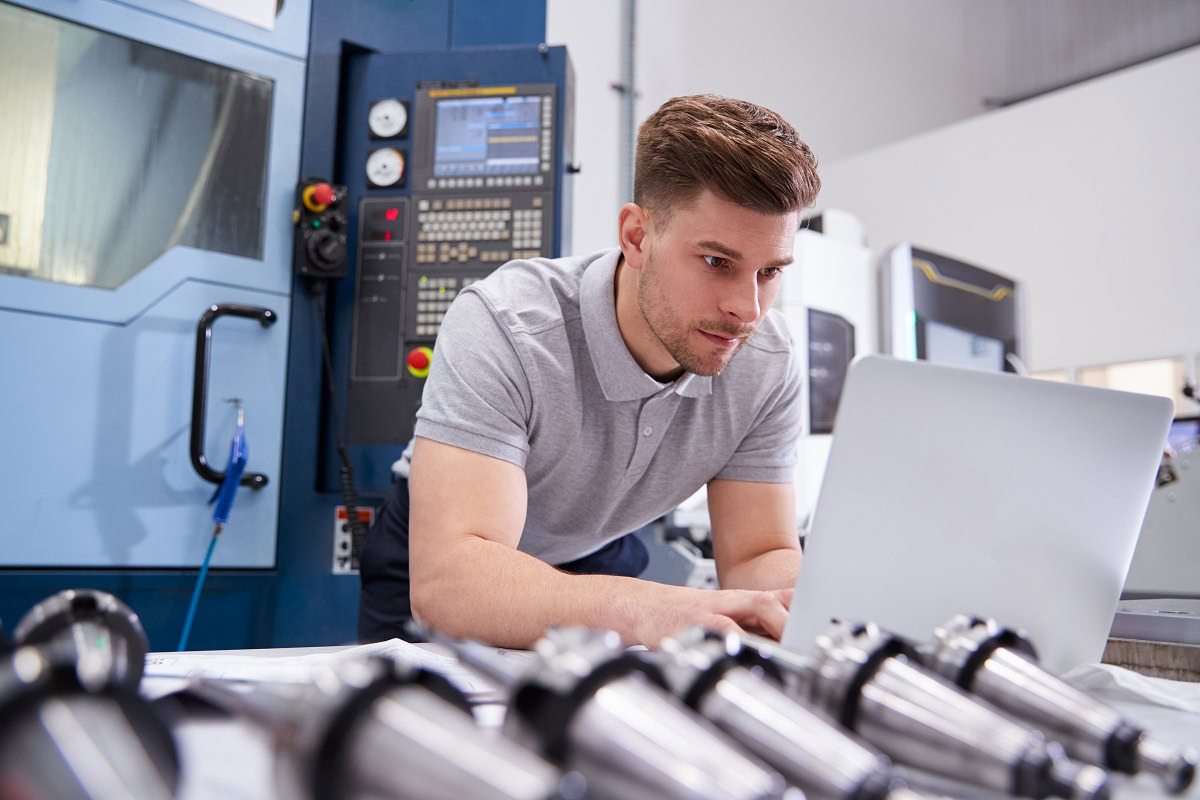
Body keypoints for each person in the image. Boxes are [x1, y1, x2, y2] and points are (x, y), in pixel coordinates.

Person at [359, 93, 821, 648]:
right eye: (717, 262)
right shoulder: (508, 324)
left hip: (594, 555)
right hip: (449, 553)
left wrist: (808, 618)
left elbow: (757, 555)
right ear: (636, 237)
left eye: (769, 271)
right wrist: (651, 610)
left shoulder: (767, 361)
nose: (747, 310)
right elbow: (455, 583)